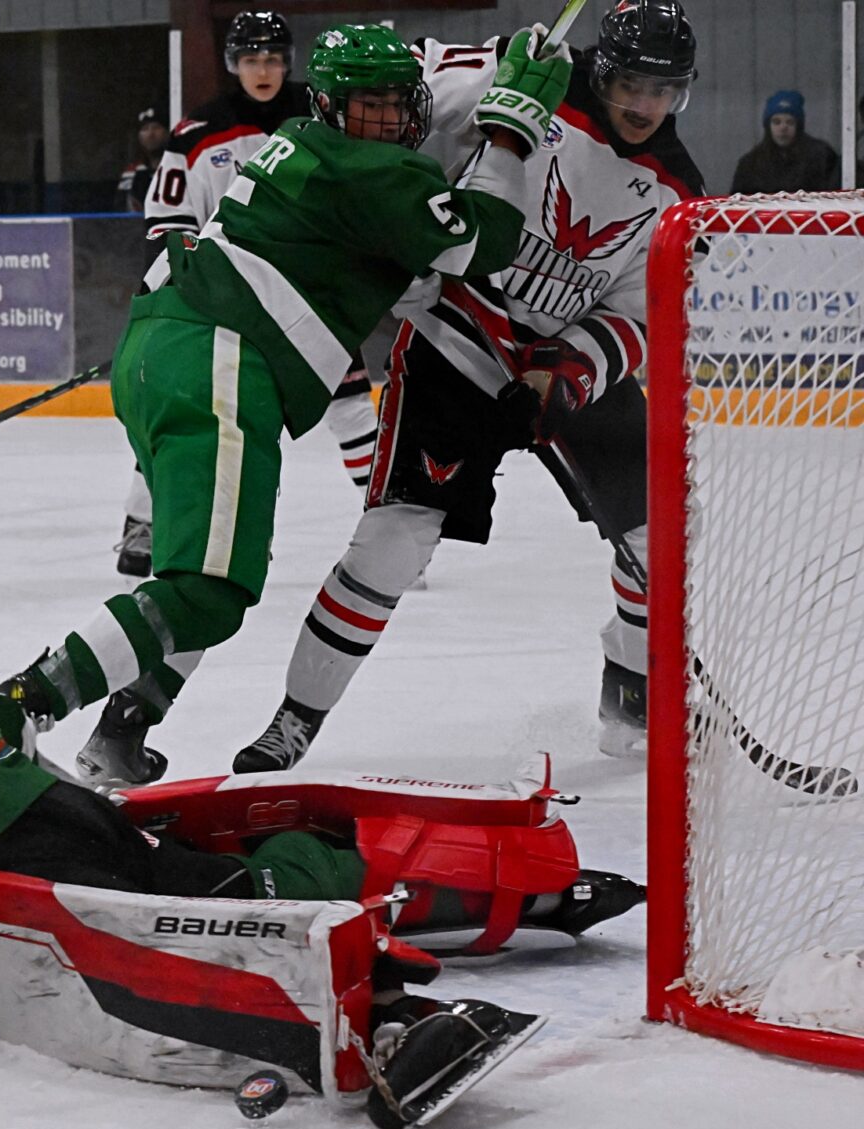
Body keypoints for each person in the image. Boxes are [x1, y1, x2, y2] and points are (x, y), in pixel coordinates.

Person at [0, 517, 637, 1125]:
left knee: (160, 961)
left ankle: (396, 1022)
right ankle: (496, 890)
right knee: (195, 886)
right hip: (14, 798)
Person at [0, 23, 567, 787]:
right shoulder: (369, 171)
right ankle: (14, 709)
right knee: (209, 589)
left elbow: (377, 260)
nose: (390, 118)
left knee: (215, 567)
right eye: (370, 105)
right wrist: (511, 133)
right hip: (219, 359)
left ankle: (120, 733)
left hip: (170, 350)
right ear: (331, 106)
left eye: (398, 101)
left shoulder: (306, 146)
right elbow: (482, 240)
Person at [234, 0, 708, 775]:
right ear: (599, 67)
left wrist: (567, 375)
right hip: (456, 342)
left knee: (662, 528)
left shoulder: (675, 195)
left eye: (664, 92)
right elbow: (394, 96)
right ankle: (293, 722)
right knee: (394, 540)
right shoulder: (523, 79)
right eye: (631, 85)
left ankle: (631, 698)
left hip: (559, 369)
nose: (645, 107)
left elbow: (638, 318)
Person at [113, 10, 376, 579]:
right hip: (227, 297)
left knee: (351, 404)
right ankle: (144, 520)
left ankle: (385, 521)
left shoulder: (322, 115)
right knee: (183, 401)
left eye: (274, 58)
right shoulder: (198, 130)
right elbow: (167, 218)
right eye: (252, 59)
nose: (264, 69)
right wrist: (184, 280)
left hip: (306, 298)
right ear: (235, 65)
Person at [731, 89, 841, 194]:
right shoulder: (751, 164)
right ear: (768, 126)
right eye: (776, 122)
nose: (783, 128)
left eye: (790, 122)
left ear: (799, 126)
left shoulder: (821, 157)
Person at [116, 107, 169, 214]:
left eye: (156, 127)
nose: (150, 134)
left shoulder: (178, 167)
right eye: (145, 129)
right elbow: (120, 212)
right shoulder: (131, 172)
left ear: (167, 132)